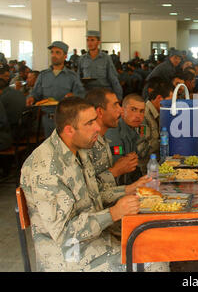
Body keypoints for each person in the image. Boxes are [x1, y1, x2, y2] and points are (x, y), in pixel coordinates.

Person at [19, 96, 168, 272]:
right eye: (90, 123)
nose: (97, 127)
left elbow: (94, 193)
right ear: (69, 130)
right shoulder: (46, 169)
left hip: (94, 237)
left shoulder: (78, 150)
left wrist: (128, 189)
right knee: (154, 261)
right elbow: (65, 233)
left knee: (155, 238)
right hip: (70, 256)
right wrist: (113, 213)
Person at [82, 88, 149, 206]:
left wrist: (133, 188)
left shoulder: (104, 139)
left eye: (141, 111)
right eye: (115, 105)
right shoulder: (88, 143)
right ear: (100, 112)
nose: (120, 110)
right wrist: (116, 172)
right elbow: (89, 193)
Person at [27, 41, 86, 138]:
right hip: (47, 119)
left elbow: (82, 94)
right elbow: (35, 93)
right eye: (52, 52)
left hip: (66, 119)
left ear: (65, 56)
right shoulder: (43, 75)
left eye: (58, 53)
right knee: (50, 147)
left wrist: (73, 96)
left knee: (66, 146)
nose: (54, 55)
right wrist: (31, 98)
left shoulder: (72, 76)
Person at [105, 93, 145, 185]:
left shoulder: (133, 132)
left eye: (141, 111)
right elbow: (118, 172)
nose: (138, 115)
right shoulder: (114, 133)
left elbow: (134, 168)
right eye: (133, 110)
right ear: (122, 111)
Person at [137, 84, 174, 172]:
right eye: (170, 102)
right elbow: (142, 149)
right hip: (146, 168)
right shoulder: (144, 116)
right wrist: (163, 143)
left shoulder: (157, 114)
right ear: (159, 98)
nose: (171, 106)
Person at [78, 30, 123, 100]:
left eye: (92, 40)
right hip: (88, 94)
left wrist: (118, 97)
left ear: (98, 42)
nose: (89, 43)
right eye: (88, 40)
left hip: (103, 94)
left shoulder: (106, 58)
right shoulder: (82, 59)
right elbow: (78, 78)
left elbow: (113, 79)